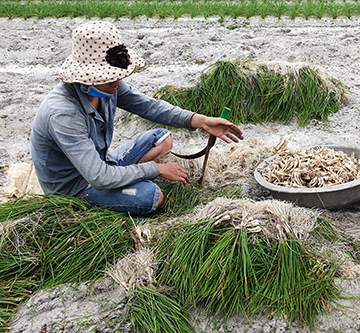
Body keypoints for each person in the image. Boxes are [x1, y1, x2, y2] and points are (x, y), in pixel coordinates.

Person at [31, 21, 244, 215]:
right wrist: (156, 169)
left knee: (162, 138)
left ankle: (123, 176)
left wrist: (200, 121)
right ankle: (110, 190)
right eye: (110, 77)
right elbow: (98, 177)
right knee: (152, 196)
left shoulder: (106, 88)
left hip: (102, 163)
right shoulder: (63, 113)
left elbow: (148, 106)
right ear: (89, 75)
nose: (118, 82)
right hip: (77, 186)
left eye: (119, 75)